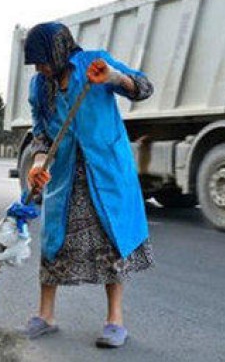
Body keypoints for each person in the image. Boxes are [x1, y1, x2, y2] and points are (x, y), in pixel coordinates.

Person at [22, 22, 154, 349]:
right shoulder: (40, 86)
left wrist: (113, 77)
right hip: (66, 175)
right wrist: (38, 164)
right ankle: (46, 315)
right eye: (35, 63)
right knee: (54, 242)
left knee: (111, 244)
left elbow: (143, 87)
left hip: (106, 172)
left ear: (59, 51)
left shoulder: (95, 62)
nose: (39, 68)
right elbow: (41, 133)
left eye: (43, 60)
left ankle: (115, 321)